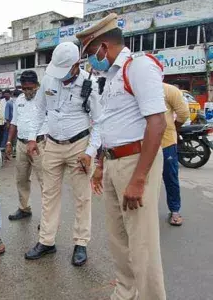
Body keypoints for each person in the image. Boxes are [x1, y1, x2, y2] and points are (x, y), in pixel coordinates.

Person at [77, 13, 167, 299]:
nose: (91, 60)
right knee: (118, 240)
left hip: (135, 162)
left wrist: (138, 179)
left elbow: (157, 123)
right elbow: (110, 124)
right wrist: (102, 163)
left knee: (142, 244)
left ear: (104, 46)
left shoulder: (138, 67)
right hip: (115, 162)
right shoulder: (111, 77)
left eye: (91, 52)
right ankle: (126, 293)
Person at [23, 42, 101, 267]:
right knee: (48, 195)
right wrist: (31, 137)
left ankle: (81, 243)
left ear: (77, 65)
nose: (62, 76)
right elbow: (39, 110)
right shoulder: (49, 78)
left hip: (80, 147)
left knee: (82, 197)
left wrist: (90, 152)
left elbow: (100, 122)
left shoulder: (91, 84)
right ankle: (46, 241)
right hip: (52, 145)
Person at [5, 71, 49, 221]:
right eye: (24, 88)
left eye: (30, 88)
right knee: (21, 179)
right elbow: (14, 122)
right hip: (22, 144)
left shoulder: (45, 100)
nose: (27, 91)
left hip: (39, 145)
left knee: (45, 181)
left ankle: (47, 217)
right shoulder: (19, 100)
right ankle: (24, 208)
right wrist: (9, 142)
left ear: (37, 85)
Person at [162, 83, 189, 226]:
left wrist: (174, 129)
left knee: (170, 178)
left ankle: (175, 211)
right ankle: (144, 213)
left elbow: (183, 113)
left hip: (165, 143)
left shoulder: (169, 90)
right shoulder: (137, 88)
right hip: (142, 145)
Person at [5, 90, 21, 158]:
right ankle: (13, 151)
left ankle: (16, 151)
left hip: (19, 123)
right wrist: (8, 123)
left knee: (17, 137)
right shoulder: (9, 103)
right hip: (12, 123)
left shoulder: (20, 102)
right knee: (13, 138)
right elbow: (7, 114)